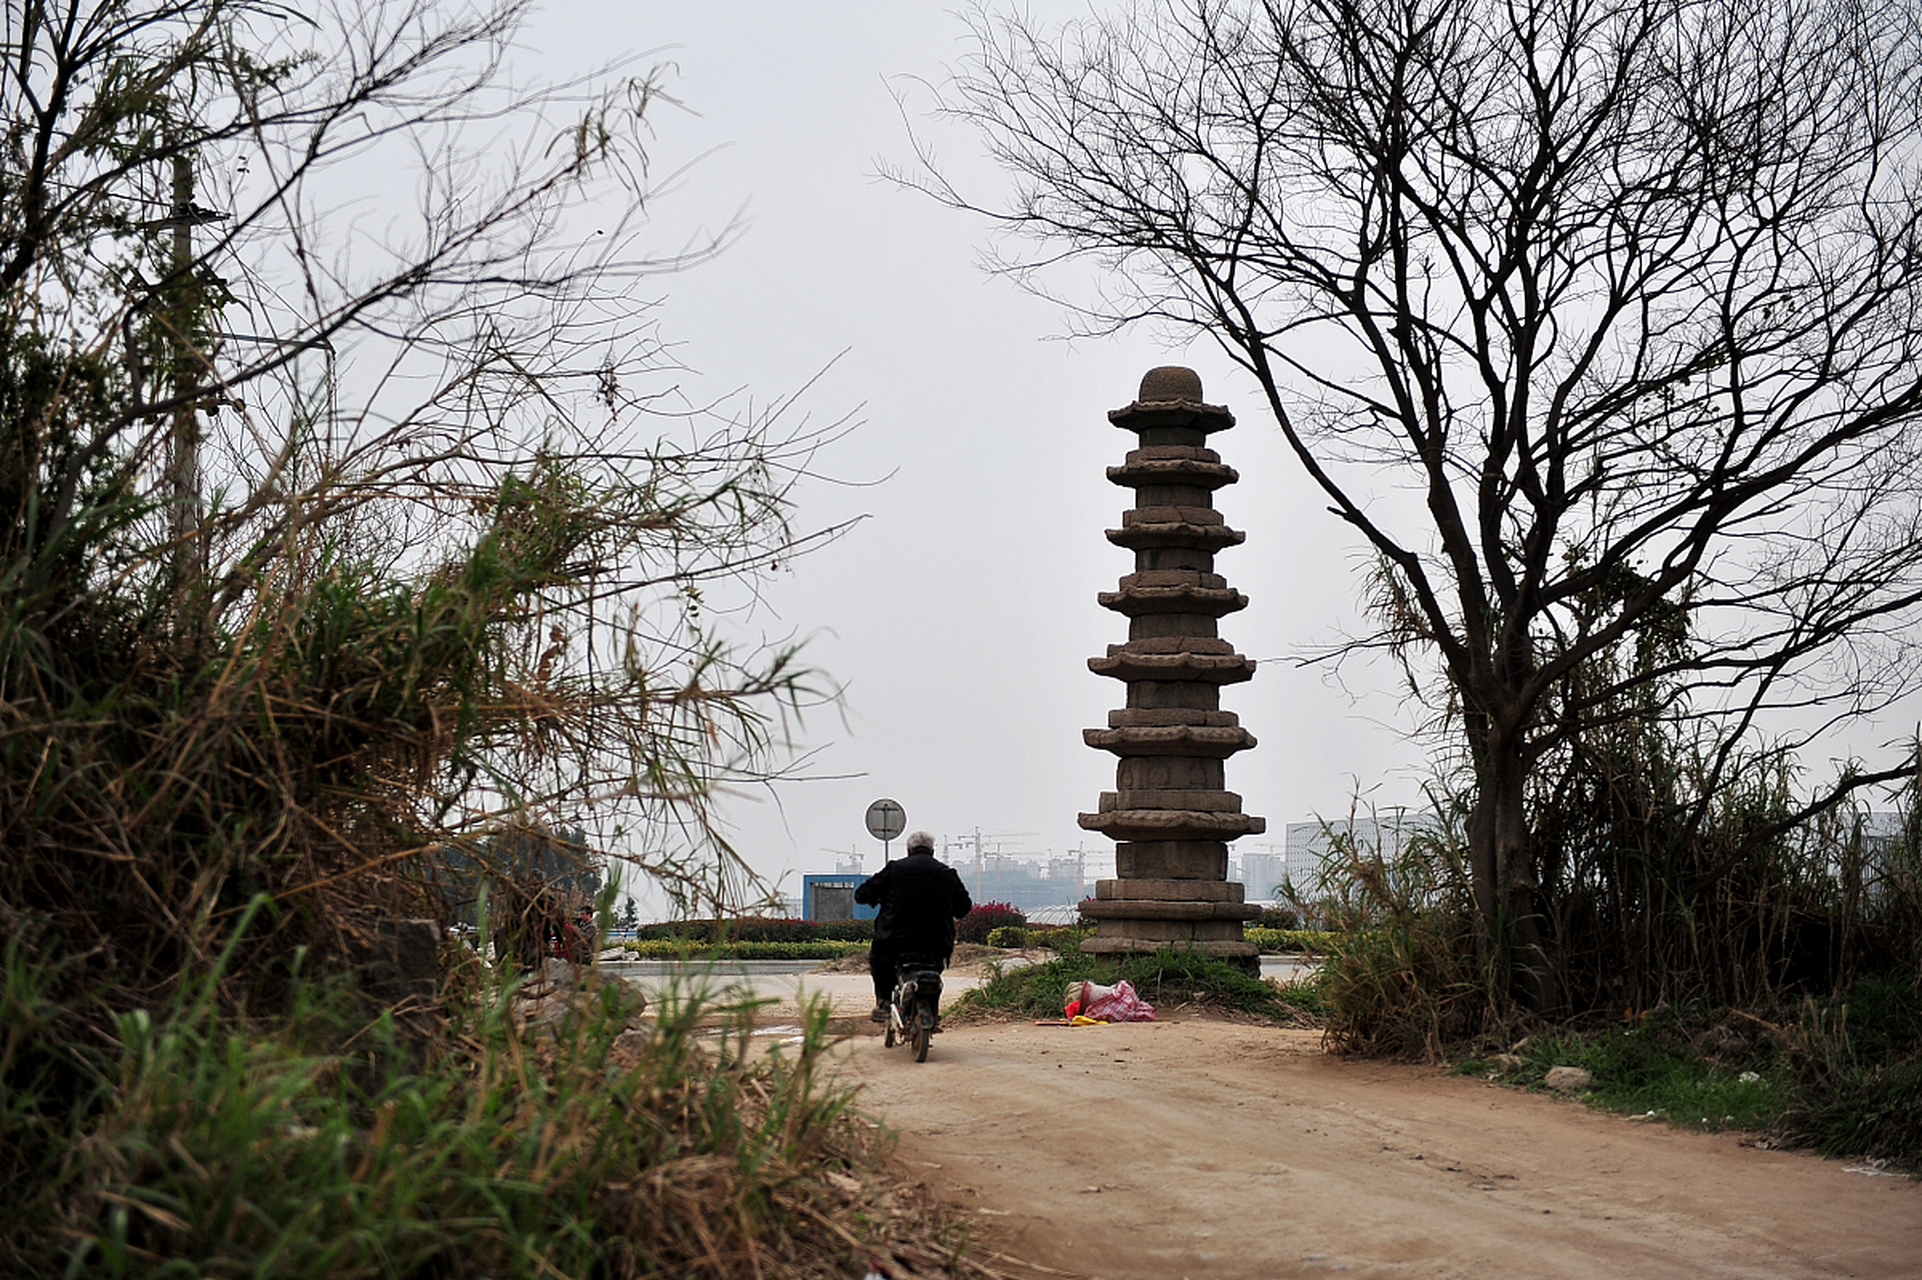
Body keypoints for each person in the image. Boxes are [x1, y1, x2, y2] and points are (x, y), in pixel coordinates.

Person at [854, 829, 973, 1022]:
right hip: (936, 942)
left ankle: (884, 1002)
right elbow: (964, 907)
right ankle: (932, 1008)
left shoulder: (895, 869)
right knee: (935, 969)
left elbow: (862, 894)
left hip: (894, 939)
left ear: (909, 851)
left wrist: (875, 897)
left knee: (879, 962)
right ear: (932, 852)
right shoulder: (947, 873)